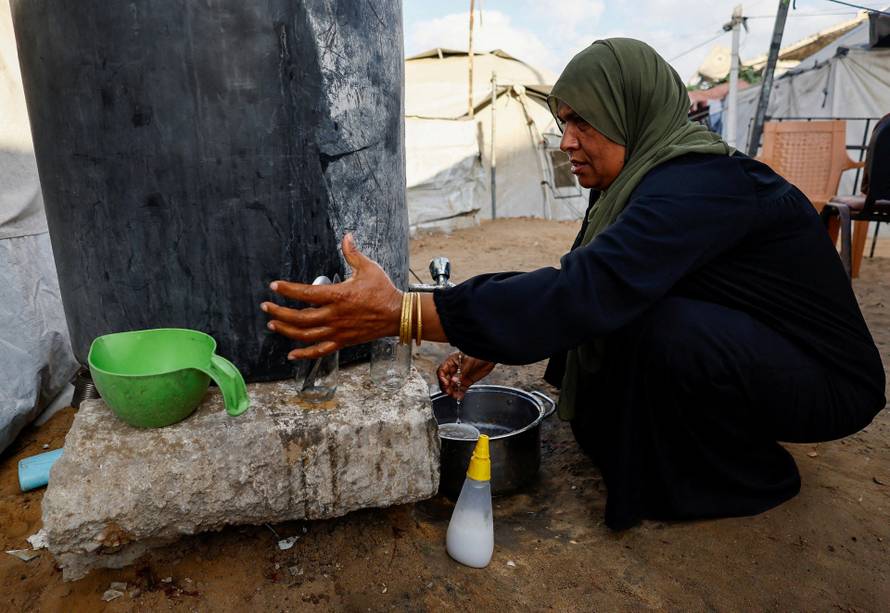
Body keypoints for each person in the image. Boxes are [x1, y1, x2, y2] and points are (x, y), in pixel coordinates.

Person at [261, 39, 885, 530]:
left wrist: (404, 313)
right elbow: (573, 280)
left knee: (656, 324)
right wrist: (493, 336)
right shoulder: (634, 183)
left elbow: (584, 292)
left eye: (584, 123)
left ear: (629, 110)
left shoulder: (697, 184)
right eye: (562, 123)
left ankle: (746, 473)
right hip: (757, 349)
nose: (568, 143)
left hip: (829, 383)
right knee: (631, 312)